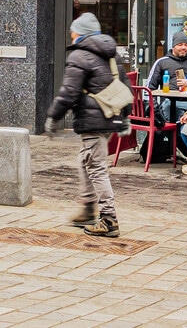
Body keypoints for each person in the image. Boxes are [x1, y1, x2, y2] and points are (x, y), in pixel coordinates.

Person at [43, 12, 123, 236]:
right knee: (85, 159)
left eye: (72, 32)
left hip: (91, 120)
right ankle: (88, 207)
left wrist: (53, 116)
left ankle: (109, 219)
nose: (71, 35)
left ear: (79, 33)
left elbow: (69, 92)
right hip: (108, 116)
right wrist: (123, 117)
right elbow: (124, 84)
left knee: (96, 167)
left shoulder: (79, 56)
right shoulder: (110, 54)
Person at [146, 37, 187, 124]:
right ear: (173, 46)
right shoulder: (162, 62)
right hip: (169, 102)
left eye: (186, 45)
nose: (183, 47)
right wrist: (154, 109)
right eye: (180, 45)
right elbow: (150, 88)